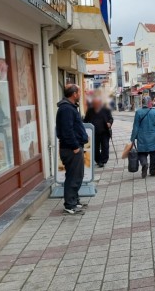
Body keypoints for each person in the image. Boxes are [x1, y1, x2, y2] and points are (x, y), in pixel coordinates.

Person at [56, 84, 89, 215]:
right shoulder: (66, 109)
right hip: (71, 149)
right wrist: (75, 146)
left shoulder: (70, 107)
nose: (80, 94)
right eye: (79, 92)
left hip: (73, 147)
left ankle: (75, 200)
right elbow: (67, 130)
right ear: (74, 94)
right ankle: (70, 204)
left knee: (77, 175)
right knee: (73, 176)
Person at [130, 96, 155, 178]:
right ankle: (152, 170)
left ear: (142, 103)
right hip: (154, 137)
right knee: (153, 154)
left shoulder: (138, 112)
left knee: (142, 153)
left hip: (142, 137)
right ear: (150, 103)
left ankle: (144, 164)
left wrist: (132, 139)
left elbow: (135, 127)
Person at [83, 97, 114, 168]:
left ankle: (103, 161)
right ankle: (98, 160)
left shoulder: (106, 109)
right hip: (94, 133)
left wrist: (109, 123)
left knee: (105, 147)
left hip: (104, 132)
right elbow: (85, 120)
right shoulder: (90, 110)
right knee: (95, 148)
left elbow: (110, 118)